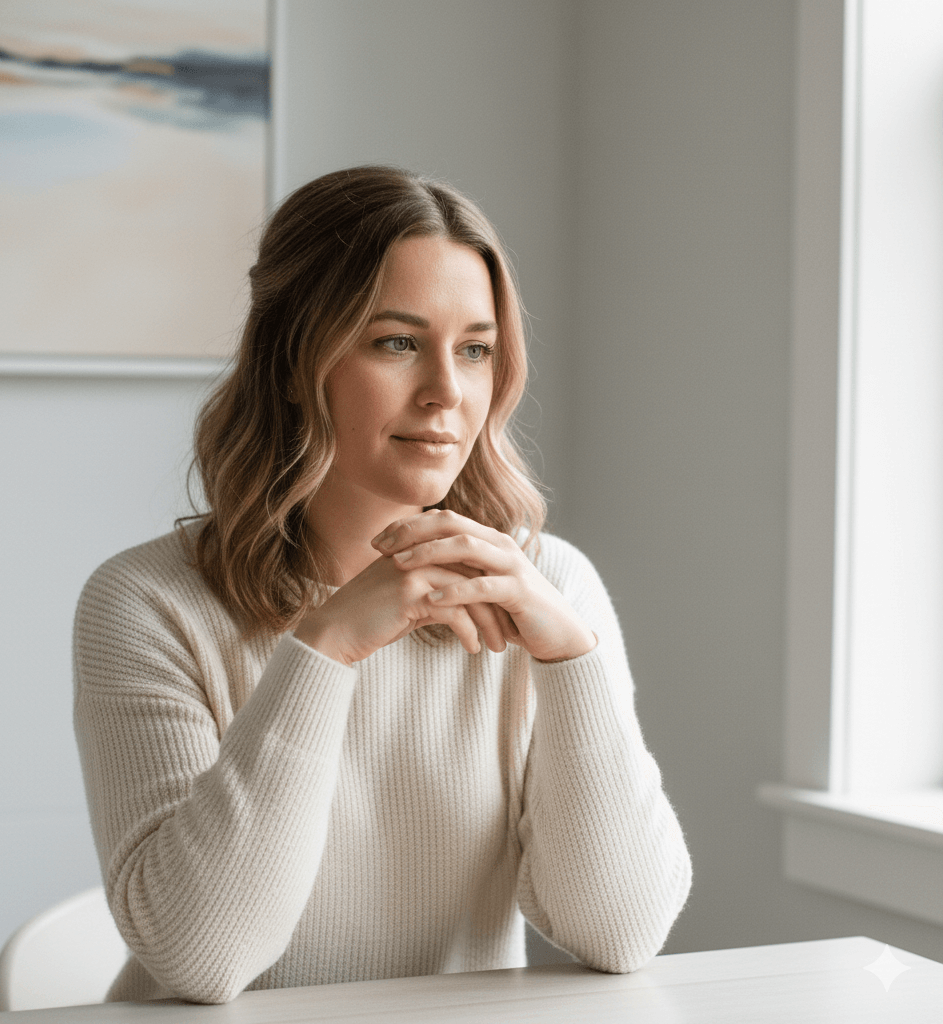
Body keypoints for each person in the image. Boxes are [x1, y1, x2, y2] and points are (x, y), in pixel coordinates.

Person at [73, 165, 691, 1005]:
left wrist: (571, 662)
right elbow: (200, 959)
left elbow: (620, 933)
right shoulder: (146, 604)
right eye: (397, 343)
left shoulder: (548, 586)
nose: (447, 393)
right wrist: (323, 648)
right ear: (293, 359)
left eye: (475, 350)